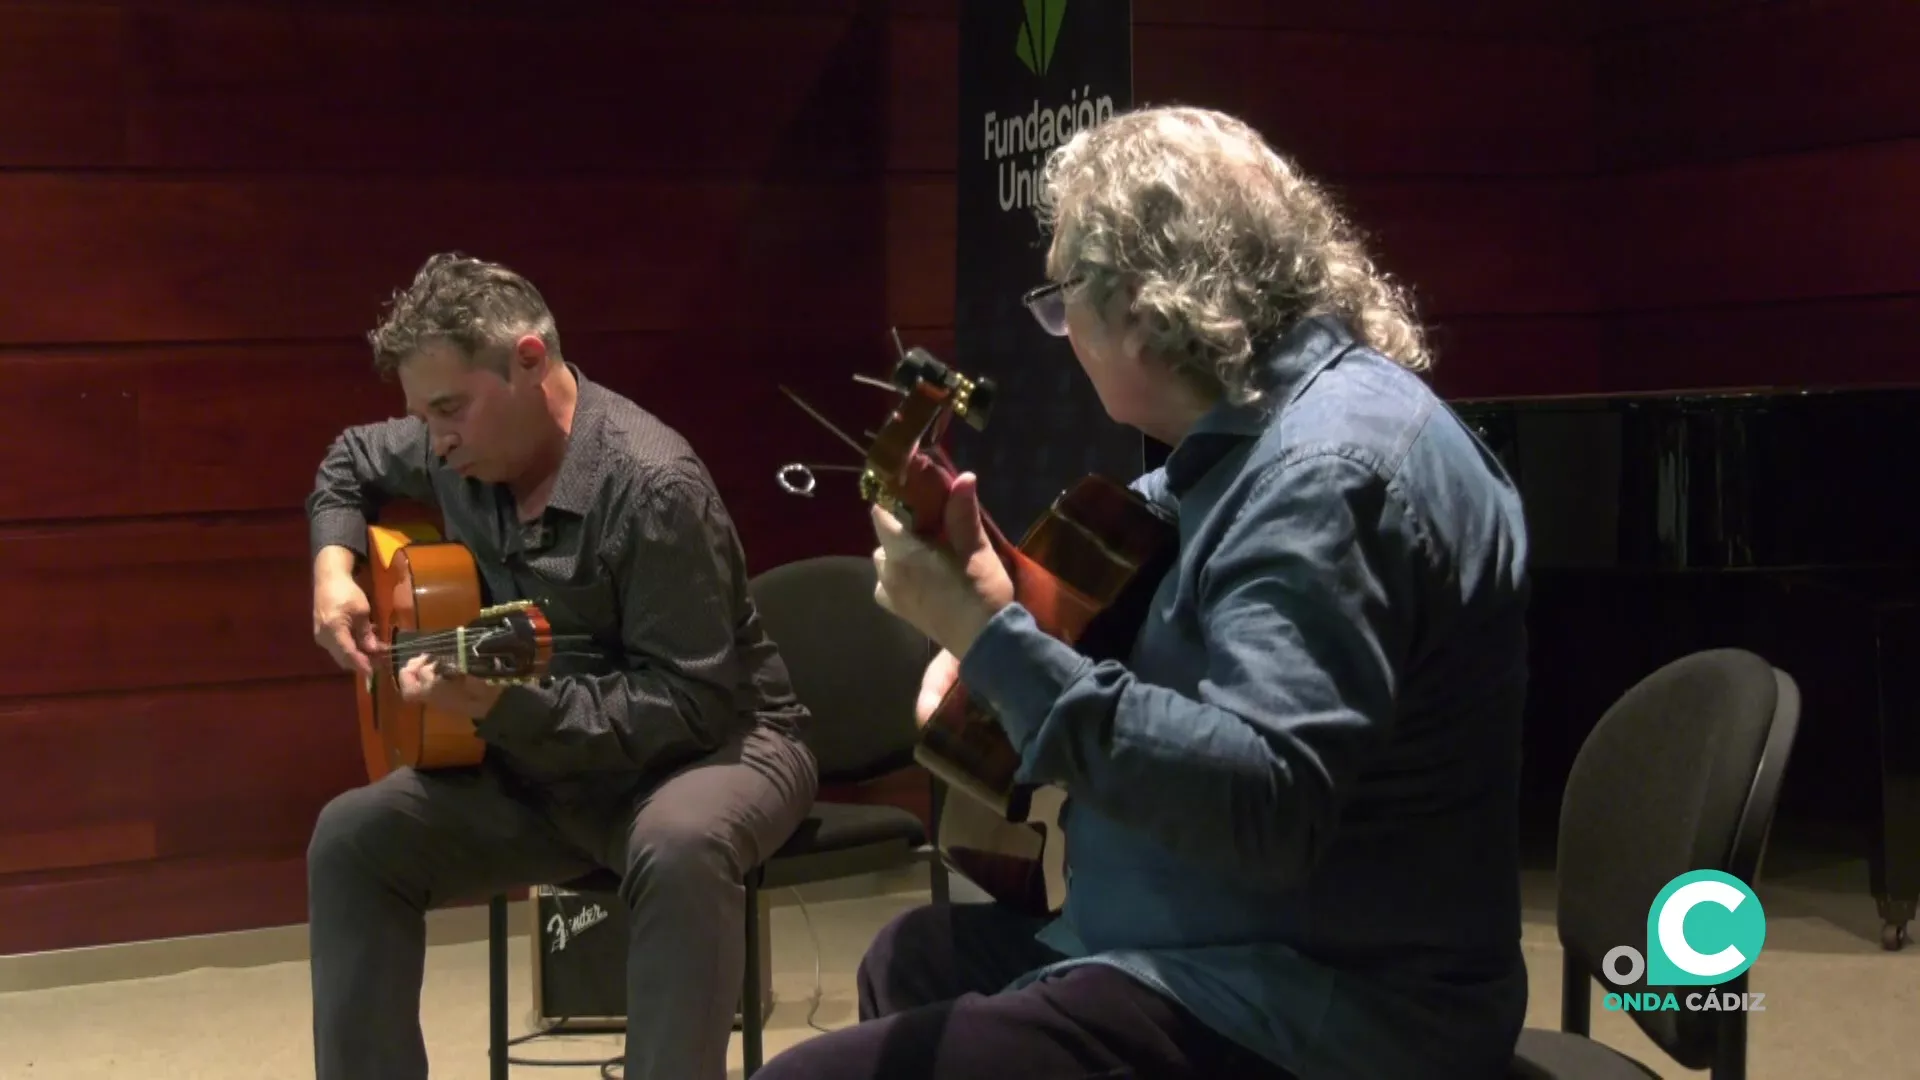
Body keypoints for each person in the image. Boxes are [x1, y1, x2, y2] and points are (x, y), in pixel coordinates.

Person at [755, 106, 1532, 1080]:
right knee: (913, 963)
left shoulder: (1328, 474)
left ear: (1143, 300)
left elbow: (1265, 805)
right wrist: (997, 606)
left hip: (1320, 1004)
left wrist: (988, 636)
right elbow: (1105, 622)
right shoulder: (1241, 446)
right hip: (1214, 943)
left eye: (1060, 295)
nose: (1058, 329)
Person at [303, 252, 819, 1080]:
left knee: (679, 846)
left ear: (530, 362)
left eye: (449, 410)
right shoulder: (456, 446)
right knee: (353, 839)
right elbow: (349, 463)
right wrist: (333, 571)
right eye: (422, 416)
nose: (435, 441)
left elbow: (689, 703)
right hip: (553, 761)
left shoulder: (653, 486)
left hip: (719, 747)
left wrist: (505, 712)